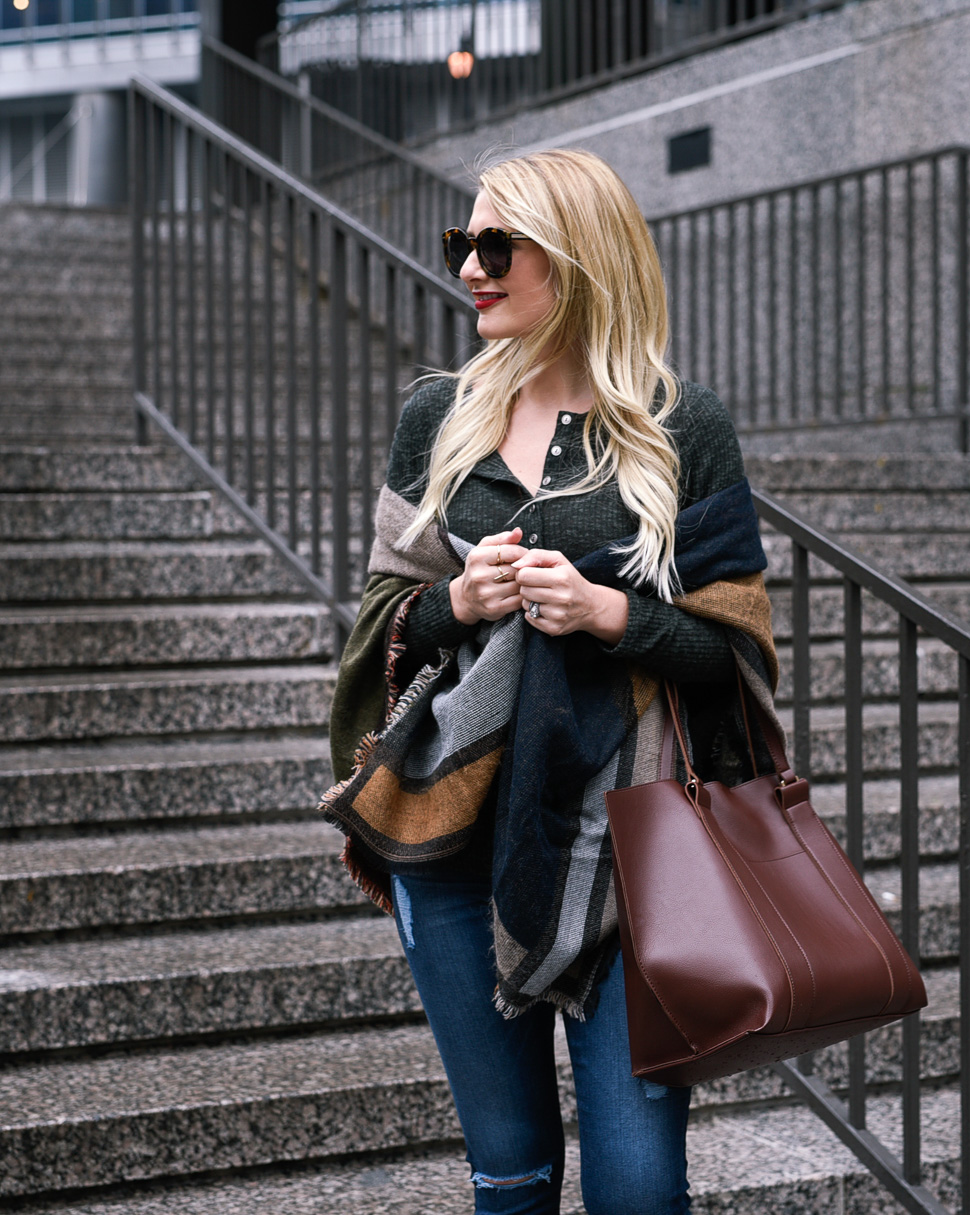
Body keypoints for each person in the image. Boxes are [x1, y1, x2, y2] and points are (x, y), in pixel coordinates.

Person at [324, 148, 778, 1215]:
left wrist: (611, 614)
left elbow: (737, 653)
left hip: (632, 856)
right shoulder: (436, 418)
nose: (471, 268)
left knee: (637, 1189)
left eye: (496, 245)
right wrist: (459, 603)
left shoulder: (681, 426)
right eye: (461, 245)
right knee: (513, 1174)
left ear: (574, 261)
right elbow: (381, 628)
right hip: (453, 841)